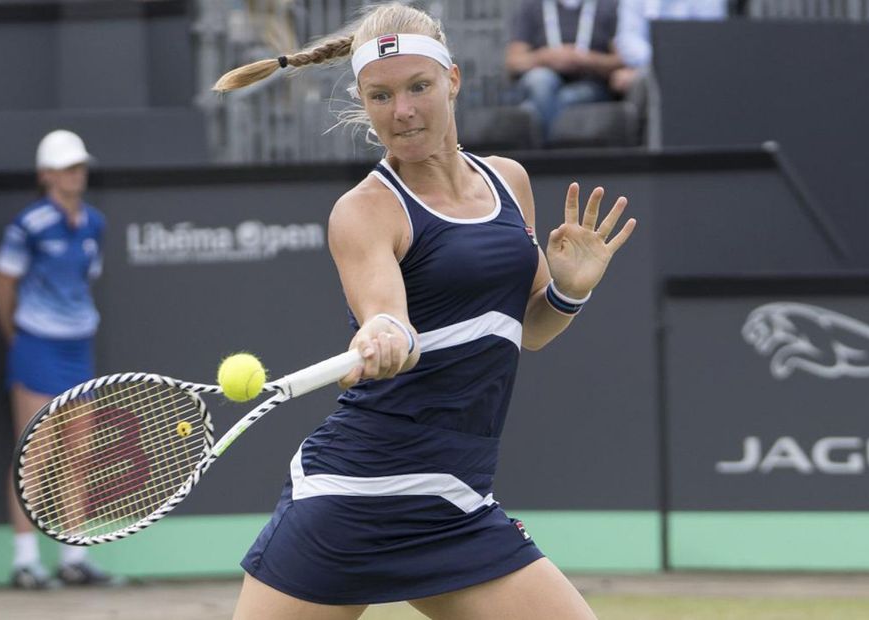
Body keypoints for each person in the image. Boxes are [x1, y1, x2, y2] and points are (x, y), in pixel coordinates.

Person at [213, 3, 636, 618]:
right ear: (362, 100)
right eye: (381, 96)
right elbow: (386, 315)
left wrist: (570, 290)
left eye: (419, 87)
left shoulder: (508, 182)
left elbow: (532, 331)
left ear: (453, 80)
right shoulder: (364, 211)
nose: (403, 111)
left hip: (454, 498)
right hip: (352, 497)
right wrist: (385, 334)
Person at [0, 129, 118, 590]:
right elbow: (2, 285)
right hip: (36, 347)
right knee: (33, 454)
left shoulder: (94, 223)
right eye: (67, 167)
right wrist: (21, 338)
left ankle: (74, 558)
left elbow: (86, 279)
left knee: (79, 453)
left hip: (77, 347)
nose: (76, 174)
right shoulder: (28, 226)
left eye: (80, 166)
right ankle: (25, 562)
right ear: (46, 176)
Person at [504, 0, 625, 141]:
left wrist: (587, 60)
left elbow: (623, 61)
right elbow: (513, 62)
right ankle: (555, 151)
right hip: (545, 78)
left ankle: (546, 153)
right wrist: (544, 58)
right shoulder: (533, 6)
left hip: (590, 84)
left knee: (539, 106)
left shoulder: (608, 6)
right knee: (539, 80)